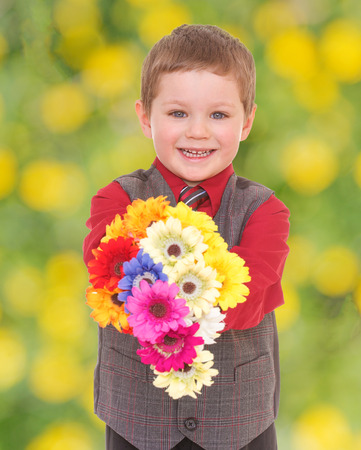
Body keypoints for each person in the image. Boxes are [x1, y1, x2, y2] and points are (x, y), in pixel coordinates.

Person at [83, 24, 290, 450]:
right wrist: (176, 292)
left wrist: (155, 295)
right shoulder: (117, 199)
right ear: (145, 117)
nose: (198, 131)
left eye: (219, 114)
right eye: (178, 113)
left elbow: (243, 301)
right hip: (136, 423)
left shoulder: (265, 211)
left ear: (247, 121)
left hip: (239, 424)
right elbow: (108, 278)